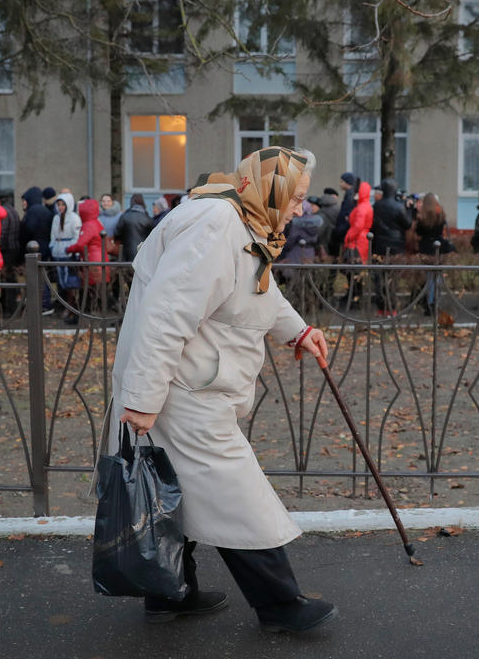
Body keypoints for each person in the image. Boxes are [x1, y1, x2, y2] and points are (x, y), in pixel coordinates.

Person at [112, 146, 336, 634]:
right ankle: (280, 605)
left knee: (176, 491)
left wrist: (297, 331)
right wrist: (144, 398)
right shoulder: (215, 223)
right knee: (235, 492)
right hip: (181, 389)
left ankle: (170, 592)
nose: (300, 207)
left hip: (191, 382)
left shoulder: (242, 217)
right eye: (296, 197)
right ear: (270, 188)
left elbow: (256, 289)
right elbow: (166, 315)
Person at [66, 198, 108, 323]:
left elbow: (81, 244)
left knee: (87, 293)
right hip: (98, 261)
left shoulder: (89, 225)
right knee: (95, 294)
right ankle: (93, 320)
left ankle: (81, 321)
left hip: (92, 263)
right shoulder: (96, 222)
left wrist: (68, 249)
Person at [413, 193, 451, 314]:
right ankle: (435, 301)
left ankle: (428, 302)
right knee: (437, 276)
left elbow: (418, 232)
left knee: (428, 277)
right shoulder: (440, 214)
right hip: (438, 248)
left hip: (425, 248)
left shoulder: (422, 216)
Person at [20, 186, 55, 314]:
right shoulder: (45, 210)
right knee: (43, 275)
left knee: (38, 276)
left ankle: (44, 304)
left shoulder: (32, 212)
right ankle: (45, 302)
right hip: (45, 247)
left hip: (35, 248)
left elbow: (29, 230)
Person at [49, 191, 82, 320]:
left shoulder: (74, 218)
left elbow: (76, 236)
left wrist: (70, 249)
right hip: (57, 251)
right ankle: (64, 306)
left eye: (63, 204)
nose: (60, 207)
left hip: (68, 253)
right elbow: (52, 234)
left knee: (70, 282)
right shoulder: (56, 218)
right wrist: (52, 246)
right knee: (61, 281)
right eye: (59, 204)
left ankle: (71, 307)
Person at [114, 193, 153, 262]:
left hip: (127, 251)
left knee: (128, 270)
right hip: (142, 251)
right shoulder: (147, 218)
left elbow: (117, 233)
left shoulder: (125, 216)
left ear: (131, 202)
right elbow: (152, 236)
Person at [342, 181, 373, 264]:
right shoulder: (366, 205)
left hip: (357, 241)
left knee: (354, 267)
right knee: (359, 266)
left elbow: (358, 226)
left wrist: (348, 237)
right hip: (362, 239)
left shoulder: (361, 207)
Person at [331, 172, 358, 257]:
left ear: (347, 183)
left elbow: (346, 217)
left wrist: (338, 231)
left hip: (343, 233)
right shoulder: (350, 195)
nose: (340, 184)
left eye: (342, 181)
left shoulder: (350, 197)